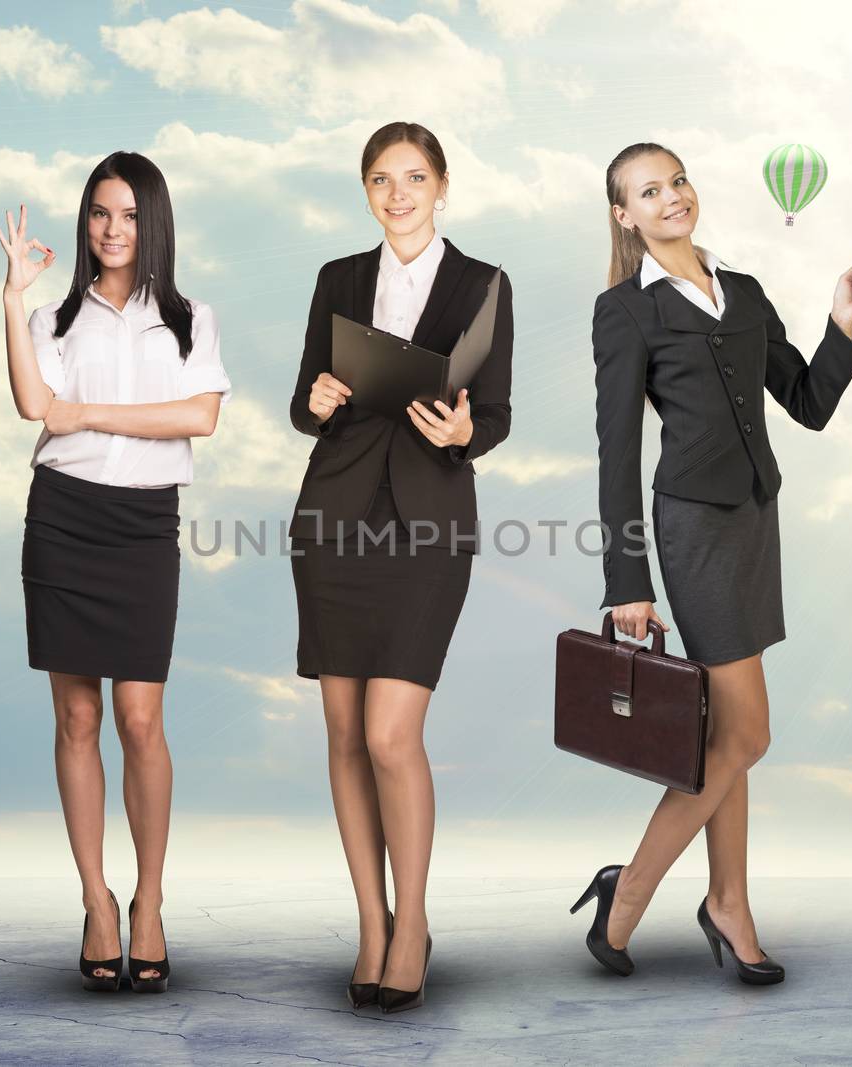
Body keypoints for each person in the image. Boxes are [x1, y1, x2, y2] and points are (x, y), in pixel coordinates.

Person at [575, 142, 852, 984]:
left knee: (724, 738)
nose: (671, 197)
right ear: (623, 215)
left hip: (753, 523)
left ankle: (728, 902)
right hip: (691, 532)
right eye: (648, 191)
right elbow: (616, 455)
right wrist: (627, 581)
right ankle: (630, 890)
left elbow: (808, 403)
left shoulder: (742, 292)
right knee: (749, 730)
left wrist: (842, 324)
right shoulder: (624, 311)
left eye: (677, 180)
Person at [286, 122, 513, 1013]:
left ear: (443, 183)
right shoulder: (337, 278)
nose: (398, 193)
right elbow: (307, 398)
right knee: (343, 735)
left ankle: (412, 922)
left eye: (414, 176)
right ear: (366, 191)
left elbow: (492, 411)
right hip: (333, 518)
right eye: (381, 179)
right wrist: (315, 400)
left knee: (390, 735)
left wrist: (466, 432)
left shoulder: (482, 282)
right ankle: (370, 925)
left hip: (426, 526)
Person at [0, 150, 232, 993]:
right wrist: (13, 299)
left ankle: (151, 901)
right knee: (76, 717)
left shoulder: (191, 317)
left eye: (130, 215)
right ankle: (97, 900)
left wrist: (90, 412)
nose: (112, 229)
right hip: (63, 517)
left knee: (140, 720)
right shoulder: (55, 319)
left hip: (141, 524)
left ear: (155, 222)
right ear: (84, 220)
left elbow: (198, 416)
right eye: (100, 212)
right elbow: (34, 407)